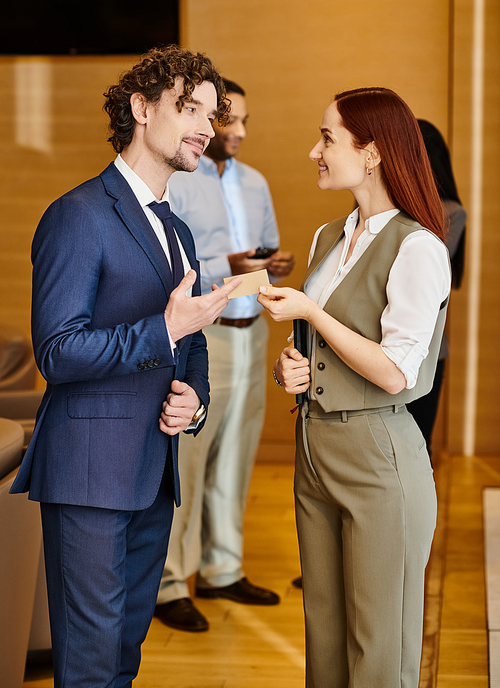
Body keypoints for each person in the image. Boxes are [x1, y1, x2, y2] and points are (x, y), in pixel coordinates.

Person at [10, 45, 241, 688]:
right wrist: (163, 327)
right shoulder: (78, 215)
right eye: (187, 108)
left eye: (211, 113)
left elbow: (189, 346)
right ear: (140, 107)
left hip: (151, 473)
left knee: (123, 660)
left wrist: (193, 400)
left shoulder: (177, 231)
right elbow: (57, 350)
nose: (206, 126)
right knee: (87, 667)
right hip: (88, 474)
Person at [258, 87, 451, 688]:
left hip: (378, 457)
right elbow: (319, 355)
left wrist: (313, 317)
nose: (313, 150)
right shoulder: (327, 238)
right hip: (313, 451)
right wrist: (291, 367)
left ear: (371, 154)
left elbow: (397, 371)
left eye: (327, 138)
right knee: (326, 636)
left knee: (379, 649)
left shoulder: (418, 247)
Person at [154, 79, 295, 632]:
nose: (234, 131)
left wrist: (269, 265)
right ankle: (168, 584)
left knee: (236, 455)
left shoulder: (255, 182)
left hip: (250, 329)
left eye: (241, 121)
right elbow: (173, 268)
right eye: (224, 119)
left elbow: (262, 249)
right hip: (201, 335)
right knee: (188, 459)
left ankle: (222, 569)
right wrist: (225, 266)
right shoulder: (178, 180)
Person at [407, 119, 466, 459]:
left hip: (427, 349)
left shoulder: (451, 213)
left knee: (417, 448)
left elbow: (419, 268)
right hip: (375, 346)